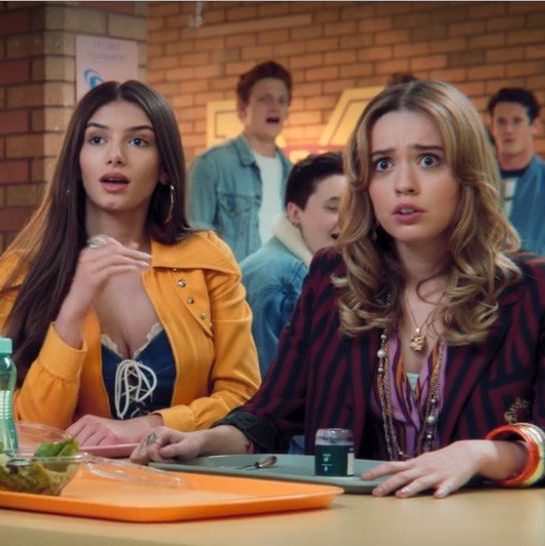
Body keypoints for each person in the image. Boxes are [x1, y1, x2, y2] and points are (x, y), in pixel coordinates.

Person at [133, 80, 545, 498]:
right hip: (352, 527)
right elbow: (270, 415)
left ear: (468, 172)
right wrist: (203, 441)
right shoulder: (333, 277)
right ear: (364, 181)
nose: (404, 184)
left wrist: (486, 454)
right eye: (383, 164)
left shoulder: (531, 289)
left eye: (428, 160)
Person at [0, 80, 260, 447]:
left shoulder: (208, 261)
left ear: (165, 168)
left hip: (191, 487)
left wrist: (150, 425)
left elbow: (244, 399)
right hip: (71, 491)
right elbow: (27, 430)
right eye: (97, 140)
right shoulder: (18, 276)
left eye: (138, 141)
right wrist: (72, 310)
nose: (115, 155)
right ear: (77, 159)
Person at [240, 152, 346, 375]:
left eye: (355, 208)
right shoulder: (281, 280)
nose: (347, 219)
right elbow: (273, 394)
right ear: (295, 213)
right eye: (333, 207)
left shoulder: (313, 270)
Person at [188, 61, 294, 262]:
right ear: (242, 109)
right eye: (265, 99)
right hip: (233, 289)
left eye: (282, 100)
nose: (275, 107)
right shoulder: (210, 166)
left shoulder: (294, 173)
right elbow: (193, 244)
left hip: (284, 289)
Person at [487, 87, 545, 255]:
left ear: (535, 126)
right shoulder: (476, 181)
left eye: (517, 121)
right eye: (501, 121)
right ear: (492, 127)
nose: (508, 130)